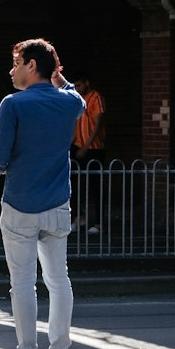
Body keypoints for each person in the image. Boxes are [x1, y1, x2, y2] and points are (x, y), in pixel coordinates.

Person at [0, 38, 86, 349]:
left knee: (23, 283)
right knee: (59, 281)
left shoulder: (12, 105)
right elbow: (78, 97)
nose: (12, 70)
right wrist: (58, 76)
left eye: (16, 63)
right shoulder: (69, 103)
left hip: (19, 203)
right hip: (57, 203)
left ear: (31, 66)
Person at [71, 73, 106, 232]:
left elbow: (97, 124)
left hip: (94, 149)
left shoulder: (95, 97)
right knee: (73, 183)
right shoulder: (77, 100)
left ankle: (98, 222)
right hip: (77, 145)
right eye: (75, 86)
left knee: (95, 185)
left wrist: (86, 146)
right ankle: (78, 217)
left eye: (79, 85)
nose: (77, 89)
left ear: (86, 83)